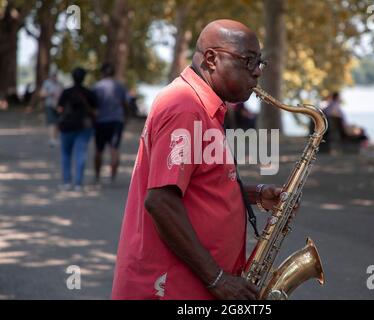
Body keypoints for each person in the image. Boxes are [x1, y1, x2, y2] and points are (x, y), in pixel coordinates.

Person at [112, 19, 285, 300]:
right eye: (249, 61)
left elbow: (196, 184)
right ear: (211, 59)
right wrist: (217, 279)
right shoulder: (185, 107)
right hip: (172, 288)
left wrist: (253, 195)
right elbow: (161, 201)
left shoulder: (204, 105)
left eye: (260, 62)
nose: (257, 72)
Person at [57, 67, 97, 191]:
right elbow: (95, 110)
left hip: (67, 127)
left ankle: (66, 182)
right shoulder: (89, 93)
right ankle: (78, 183)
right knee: (81, 153)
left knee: (65, 154)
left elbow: (59, 108)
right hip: (84, 127)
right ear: (84, 78)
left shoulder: (66, 92)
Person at [92, 63, 128, 184]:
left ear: (102, 73)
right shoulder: (120, 86)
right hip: (117, 121)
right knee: (114, 149)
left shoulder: (97, 87)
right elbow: (126, 103)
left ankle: (97, 175)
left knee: (99, 149)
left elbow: (93, 105)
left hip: (101, 121)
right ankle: (112, 177)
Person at [40, 71, 63, 147]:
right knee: (51, 122)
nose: (54, 77)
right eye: (53, 76)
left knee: (58, 123)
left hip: (58, 106)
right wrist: (51, 93)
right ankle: (51, 139)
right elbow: (42, 93)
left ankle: (55, 138)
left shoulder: (59, 84)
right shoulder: (47, 83)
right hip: (49, 105)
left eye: (55, 76)